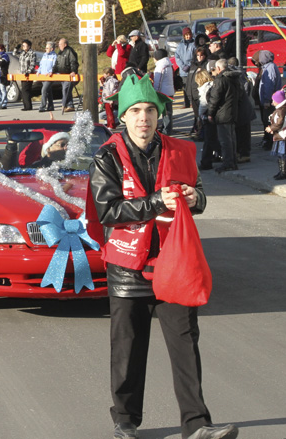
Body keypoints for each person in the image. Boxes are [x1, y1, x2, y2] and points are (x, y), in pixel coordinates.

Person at [88, 73, 237, 439]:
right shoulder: (107, 157)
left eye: (150, 111)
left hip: (174, 265)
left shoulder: (179, 150)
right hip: (128, 269)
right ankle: (125, 423)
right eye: (136, 110)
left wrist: (193, 199)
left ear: (159, 115)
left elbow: (200, 196)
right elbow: (108, 210)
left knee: (186, 345)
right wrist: (156, 202)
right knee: (128, 351)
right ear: (123, 117)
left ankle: (197, 425)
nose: (144, 118)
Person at [206, 58, 240, 173]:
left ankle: (228, 163)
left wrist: (210, 113)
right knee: (232, 139)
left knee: (225, 140)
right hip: (232, 111)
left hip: (223, 113)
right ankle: (233, 161)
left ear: (219, 68)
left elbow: (215, 98)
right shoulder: (234, 77)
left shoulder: (220, 80)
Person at [266, 89, 286, 180]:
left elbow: (279, 123)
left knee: (282, 154)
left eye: (274, 100)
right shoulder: (282, 110)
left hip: (282, 136)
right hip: (282, 135)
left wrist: (271, 128)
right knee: (281, 155)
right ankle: (282, 171)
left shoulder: (280, 111)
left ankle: (284, 172)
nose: (272, 102)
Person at [256, 50, 282, 150]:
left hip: (270, 101)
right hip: (269, 100)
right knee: (267, 121)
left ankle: (271, 142)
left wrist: (267, 100)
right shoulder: (268, 67)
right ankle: (268, 140)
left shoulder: (270, 68)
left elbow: (269, 85)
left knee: (269, 121)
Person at [152, 49, 175, 134]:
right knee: (168, 111)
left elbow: (158, 81)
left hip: (163, 93)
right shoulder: (168, 64)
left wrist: (156, 91)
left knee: (166, 112)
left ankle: (167, 129)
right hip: (169, 91)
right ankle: (167, 127)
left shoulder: (161, 66)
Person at [55, 38, 79, 112]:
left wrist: (73, 71)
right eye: (58, 44)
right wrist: (53, 71)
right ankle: (70, 105)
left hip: (69, 75)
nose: (59, 46)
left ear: (65, 44)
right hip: (62, 75)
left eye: (60, 44)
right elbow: (57, 63)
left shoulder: (70, 51)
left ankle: (64, 104)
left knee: (66, 90)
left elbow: (73, 61)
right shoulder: (60, 52)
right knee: (66, 90)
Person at [175, 27, 195, 109]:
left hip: (192, 69)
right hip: (183, 70)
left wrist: (189, 65)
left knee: (192, 86)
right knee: (185, 87)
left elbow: (195, 56)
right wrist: (182, 66)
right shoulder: (180, 45)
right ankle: (186, 103)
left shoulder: (194, 44)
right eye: (186, 35)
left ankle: (192, 102)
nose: (188, 36)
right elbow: (177, 56)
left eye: (189, 34)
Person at [14, 39, 35, 111]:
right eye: (23, 45)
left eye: (24, 45)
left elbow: (32, 64)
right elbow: (14, 54)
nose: (23, 46)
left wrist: (28, 71)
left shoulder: (32, 53)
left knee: (25, 90)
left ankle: (28, 106)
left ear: (29, 46)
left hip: (28, 74)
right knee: (24, 90)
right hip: (22, 74)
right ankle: (26, 105)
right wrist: (17, 48)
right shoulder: (22, 53)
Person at [37, 41, 58, 113]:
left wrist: (51, 72)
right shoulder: (44, 55)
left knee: (44, 90)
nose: (45, 49)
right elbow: (41, 64)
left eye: (47, 48)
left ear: (51, 49)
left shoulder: (54, 56)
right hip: (43, 76)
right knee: (48, 91)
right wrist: (38, 71)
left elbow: (55, 66)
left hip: (49, 76)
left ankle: (42, 106)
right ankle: (51, 106)